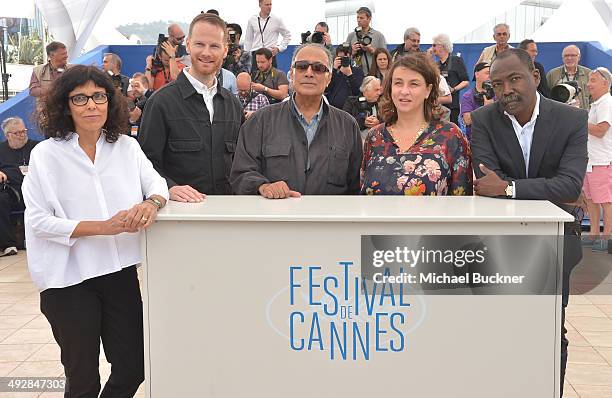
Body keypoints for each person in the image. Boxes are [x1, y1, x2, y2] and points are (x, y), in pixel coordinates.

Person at [23, 64, 168, 398]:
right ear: (64, 105)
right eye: (80, 98)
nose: (91, 105)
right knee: (83, 379)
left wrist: (153, 203)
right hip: (67, 280)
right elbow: (39, 222)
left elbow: (157, 185)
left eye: (99, 96)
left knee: (133, 368)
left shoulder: (127, 147)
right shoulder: (46, 155)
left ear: (110, 101)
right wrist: (103, 227)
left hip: (119, 274)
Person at [470, 49, 588, 397]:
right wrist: (528, 190)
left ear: (535, 76)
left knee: (549, 328)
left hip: (555, 244)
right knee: (498, 328)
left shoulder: (571, 120)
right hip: (501, 244)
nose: (506, 89)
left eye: (514, 78)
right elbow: (484, 184)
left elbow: (570, 186)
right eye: (497, 84)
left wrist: (508, 187)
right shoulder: (483, 120)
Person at [230, 43, 362, 198]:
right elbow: (240, 174)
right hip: (277, 219)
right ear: (291, 74)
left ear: (329, 78)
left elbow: (354, 187)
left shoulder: (347, 126)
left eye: (318, 68)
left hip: (329, 220)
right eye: (301, 66)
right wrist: (263, 186)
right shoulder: (261, 121)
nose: (309, 73)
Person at [139, 13, 243, 201]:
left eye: (214, 46)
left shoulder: (233, 105)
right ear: (188, 45)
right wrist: (168, 187)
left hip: (227, 215)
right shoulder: (160, 102)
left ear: (225, 50)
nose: (206, 52)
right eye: (199, 44)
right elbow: (145, 164)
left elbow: (242, 162)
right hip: (180, 217)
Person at [360, 53, 472, 196]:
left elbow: (462, 201)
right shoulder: (374, 137)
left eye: (414, 84)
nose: (404, 91)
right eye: (398, 83)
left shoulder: (450, 136)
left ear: (428, 90)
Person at [582, 67, 612, 252]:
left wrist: (579, 120)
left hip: (602, 160)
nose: (588, 84)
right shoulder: (596, 104)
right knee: (591, 200)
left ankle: (607, 237)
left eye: (593, 80)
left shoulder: (607, 103)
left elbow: (600, 131)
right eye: (589, 80)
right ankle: (593, 235)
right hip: (590, 160)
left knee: (606, 200)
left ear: (605, 83)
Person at [431, 34, 469, 125]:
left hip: (452, 105)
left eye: (434, 45)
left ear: (442, 46)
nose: (432, 48)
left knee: (451, 128)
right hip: (439, 106)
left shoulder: (456, 60)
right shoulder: (436, 65)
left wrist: (454, 89)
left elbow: (466, 81)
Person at [243, 0, 291, 70]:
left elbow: (287, 35)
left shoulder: (277, 19)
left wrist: (279, 48)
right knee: (255, 78)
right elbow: (248, 39)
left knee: (272, 79)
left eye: (270, 4)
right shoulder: (252, 19)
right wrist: (247, 56)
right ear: (260, 5)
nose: (269, 7)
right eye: (266, 5)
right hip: (256, 54)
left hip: (270, 54)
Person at [546, 45, 591, 110]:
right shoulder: (552, 74)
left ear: (579, 57)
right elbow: (547, 97)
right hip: (560, 113)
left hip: (582, 114)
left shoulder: (588, 73)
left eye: (573, 55)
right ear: (562, 58)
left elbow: (593, 97)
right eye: (566, 55)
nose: (569, 58)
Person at [345, 7, 387, 76]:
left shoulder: (378, 36)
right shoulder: (351, 36)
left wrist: (371, 50)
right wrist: (352, 52)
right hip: (355, 75)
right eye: (357, 18)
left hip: (374, 74)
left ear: (369, 19)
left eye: (361, 18)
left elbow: (385, 57)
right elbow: (345, 56)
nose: (358, 20)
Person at [459, 62, 494, 140]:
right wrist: (485, 108)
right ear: (477, 74)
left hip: (495, 137)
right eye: (487, 73)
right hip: (476, 139)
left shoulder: (498, 94)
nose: (490, 76)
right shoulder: (467, 96)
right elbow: (467, 120)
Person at [324, 44, 364, 109]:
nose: (343, 60)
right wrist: (333, 70)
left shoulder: (358, 71)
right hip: (332, 107)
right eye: (341, 58)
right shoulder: (333, 71)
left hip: (349, 109)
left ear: (350, 57)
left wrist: (350, 75)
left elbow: (357, 92)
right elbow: (326, 88)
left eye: (345, 58)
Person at [0, 160, 21, 256]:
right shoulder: (2, 149)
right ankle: (8, 244)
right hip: (7, 189)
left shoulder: (35, 148)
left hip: (30, 187)